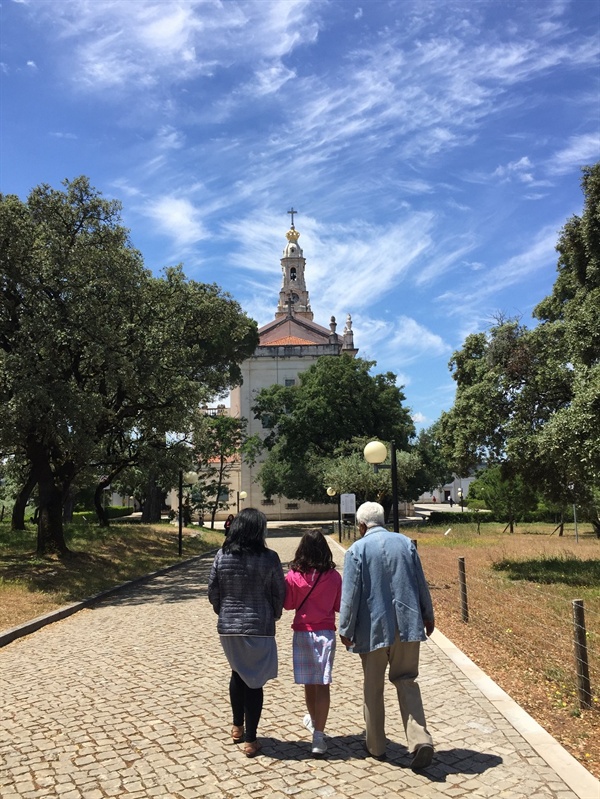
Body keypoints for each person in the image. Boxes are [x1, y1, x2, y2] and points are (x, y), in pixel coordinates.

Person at [338, 501, 435, 769]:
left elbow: (351, 594)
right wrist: (428, 615)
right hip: (407, 625)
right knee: (407, 681)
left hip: (373, 629)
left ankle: (376, 746)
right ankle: (419, 739)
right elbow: (420, 583)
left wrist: (345, 628)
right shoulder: (406, 544)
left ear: (361, 526)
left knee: (373, 687)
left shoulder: (356, 550)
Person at [208, 508, 286, 757]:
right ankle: (251, 740)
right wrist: (273, 614)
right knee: (254, 681)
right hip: (259, 626)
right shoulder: (270, 557)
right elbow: (278, 592)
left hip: (229, 628)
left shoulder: (222, 555)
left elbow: (213, 589)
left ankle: (236, 727)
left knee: (238, 673)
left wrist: (224, 611)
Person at [284, 529, 342, 756]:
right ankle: (319, 735)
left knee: (309, 682)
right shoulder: (334, 577)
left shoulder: (293, 576)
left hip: (302, 633)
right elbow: (338, 605)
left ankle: (314, 723)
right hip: (325, 632)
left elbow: (288, 605)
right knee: (323, 683)